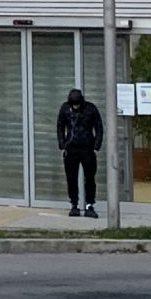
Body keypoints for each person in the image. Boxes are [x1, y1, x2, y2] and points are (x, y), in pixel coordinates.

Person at [57, 86, 104, 218]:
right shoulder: (65, 108)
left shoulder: (90, 108)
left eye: (77, 104)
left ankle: (89, 204)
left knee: (90, 177)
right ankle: (74, 204)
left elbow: (99, 127)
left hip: (87, 148)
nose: (75, 107)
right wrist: (62, 143)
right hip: (71, 148)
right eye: (73, 104)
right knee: (71, 178)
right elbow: (60, 126)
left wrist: (96, 145)